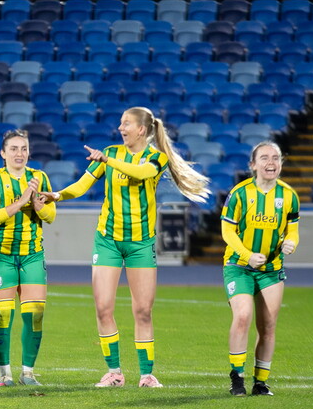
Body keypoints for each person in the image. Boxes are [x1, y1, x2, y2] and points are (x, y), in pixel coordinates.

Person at [40, 106, 209, 388]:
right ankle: (115, 373)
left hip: (140, 244)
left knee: (143, 310)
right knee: (103, 307)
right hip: (107, 240)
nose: (121, 128)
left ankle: (146, 374)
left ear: (141, 129)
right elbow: (83, 185)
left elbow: (141, 173)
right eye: (120, 123)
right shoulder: (111, 153)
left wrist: (107, 159)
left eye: (126, 123)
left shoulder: (156, 158)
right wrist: (57, 195)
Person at [221, 140, 299, 396]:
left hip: (271, 269)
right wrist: (246, 254)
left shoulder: (289, 196)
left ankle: (261, 382)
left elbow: (293, 231)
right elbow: (227, 231)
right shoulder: (240, 193)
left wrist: (291, 243)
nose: (271, 162)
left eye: (275, 158)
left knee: (268, 326)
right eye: (264, 158)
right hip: (239, 266)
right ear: (253, 165)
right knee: (242, 316)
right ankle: (237, 377)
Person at [0, 129, 56, 387]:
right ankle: (5, 373)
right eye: (13, 148)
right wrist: (23, 199)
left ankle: (28, 372)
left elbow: (51, 216)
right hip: (0, 255)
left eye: (23, 149)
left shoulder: (39, 177)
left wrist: (38, 205)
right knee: (3, 315)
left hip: (32, 254)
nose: (19, 154)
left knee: (35, 313)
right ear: (3, 153)